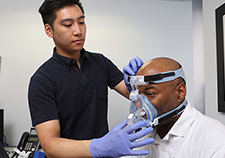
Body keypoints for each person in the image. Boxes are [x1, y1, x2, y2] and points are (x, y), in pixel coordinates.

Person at [28, 0, 154, 158]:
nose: (78, 31)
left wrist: (139, 81)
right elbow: (50, 145)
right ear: (49, 30)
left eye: (81, 22)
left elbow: (136, 96)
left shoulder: (100, 62)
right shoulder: (42, 80)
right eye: (68, 25)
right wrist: (98, 147)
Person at [126, 57, 225, 158]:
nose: (138, 104)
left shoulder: (215, 142)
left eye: (150, 93)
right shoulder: (143, 138)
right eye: (138, 94)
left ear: (180, 92)